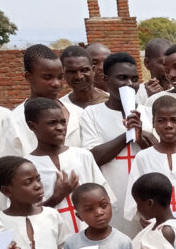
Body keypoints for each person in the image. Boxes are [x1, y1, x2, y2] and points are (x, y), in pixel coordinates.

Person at [80, 52, 154, 237]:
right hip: (111, 194)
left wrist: (140, 136)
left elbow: (158, 152)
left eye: (134, 79)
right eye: (122, 78)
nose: (129, 84)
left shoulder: (147, 112)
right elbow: (93, 157)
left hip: (144, 194)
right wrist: (127, 135)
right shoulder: (92, 113)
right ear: (106, 80)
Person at [25, 97, 112, 234]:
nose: (60, 128)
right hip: (50, 236)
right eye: (52, 123)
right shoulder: (26, 166)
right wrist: (57, 197)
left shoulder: (83, 156)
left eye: (63, 122)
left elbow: (105, 198)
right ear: (32, 126)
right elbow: (23, 215)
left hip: (90, 236)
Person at [123, 95, 176, 225]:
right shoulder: (143, 157)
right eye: (161, 120)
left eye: (174, 120)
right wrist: (143, 218)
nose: (168, 125)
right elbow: (134, 199)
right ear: (153, 123)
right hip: (157, 228)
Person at [2, 44, 84, 156]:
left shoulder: (79, 114)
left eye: (60, 77)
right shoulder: (14, 121)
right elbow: (8, 169)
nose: (56, 84)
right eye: (47, 77)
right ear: (28, 76)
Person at [0, 156, 70, 249]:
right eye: (28, 182)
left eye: (38, 179)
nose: (38, 186)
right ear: (7, 191)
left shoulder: (52, 215)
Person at [135, 38, 172, 105]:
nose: (169, 69)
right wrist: (151, 99)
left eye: (172, 63)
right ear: (147, 63)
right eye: (163, 63)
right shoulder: (137, 94)